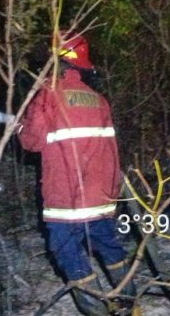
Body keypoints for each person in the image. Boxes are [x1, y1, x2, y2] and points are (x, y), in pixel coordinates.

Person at [18, 32, 138, 316]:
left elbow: (31, 142)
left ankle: (97, 310)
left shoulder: (47, 95)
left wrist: (20, 127)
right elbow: (111, 149)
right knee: (107, 243)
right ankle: (130, 302)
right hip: (101, 193)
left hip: (67, 195)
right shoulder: (99, 100)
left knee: (65, 248)